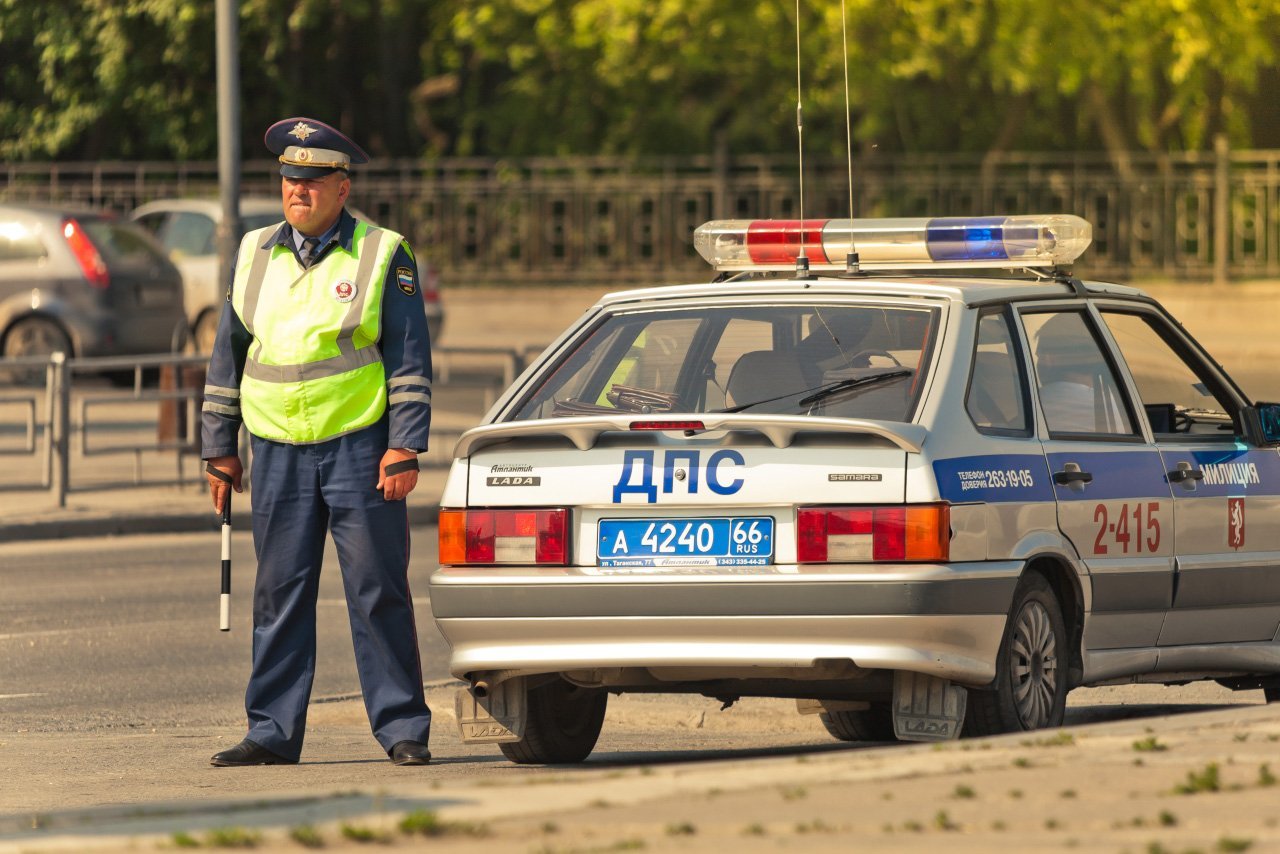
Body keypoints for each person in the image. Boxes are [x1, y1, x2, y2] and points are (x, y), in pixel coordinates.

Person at [201, 117, 434, 767]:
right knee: (279, 591)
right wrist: (218, 446)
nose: (296, 190)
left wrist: (405, 444)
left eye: (311, 180)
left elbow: (409, 355)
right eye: (288, 179)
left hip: (360, 445)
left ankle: (402, 727)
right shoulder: (253, 254)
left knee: (377, 589)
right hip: (275, 447)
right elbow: (229, 353)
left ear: (341, 185)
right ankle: (272, 731)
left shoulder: (382, 252)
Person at [1032, 313, 1129, 434]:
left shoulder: (1032, 405)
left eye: (1039, 355)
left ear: (1048, 358)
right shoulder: (1111, 407)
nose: (1039, 361)